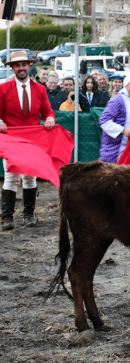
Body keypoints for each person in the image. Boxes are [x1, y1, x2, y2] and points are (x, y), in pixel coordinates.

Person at [0, 51, 57, 230]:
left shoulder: (40, 89)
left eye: (24, 65)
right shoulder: (3, 89)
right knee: (11, 176)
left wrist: (50, 119)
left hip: (32, 140)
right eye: (17, 65)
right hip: (11, 140)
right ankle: (7, 218)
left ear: (29, 66)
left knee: (30, 177)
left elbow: (48, 111)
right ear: (12, 68)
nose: (21, 68)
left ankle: (29, 214)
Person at [98, 74, 130, 163]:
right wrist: (122, 130)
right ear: (126, 86)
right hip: (113, 149)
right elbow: (103, 120)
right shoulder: (117, 100)